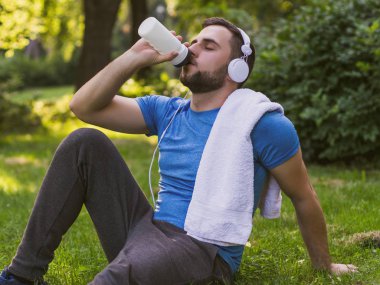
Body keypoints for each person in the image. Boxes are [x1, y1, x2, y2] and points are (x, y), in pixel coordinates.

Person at [0, 17, 357, 285]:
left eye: (209, 46)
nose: (194, 48)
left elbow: (304, 196)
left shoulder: (261, 124)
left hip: (203, 251)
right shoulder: (168, 111)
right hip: (149, 230)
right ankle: (21, 277)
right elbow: (84, 107)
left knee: (114, 279)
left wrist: (324, 265)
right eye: (195, 41)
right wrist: (134, 57)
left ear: (236, 68)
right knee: (84, 143)